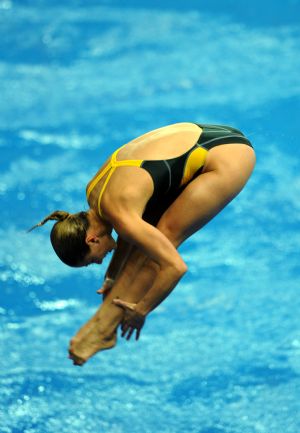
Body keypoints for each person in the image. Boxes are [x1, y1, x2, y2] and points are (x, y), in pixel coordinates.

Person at [29, 122, 255, 366]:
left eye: (92, 260)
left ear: (91, 239)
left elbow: (175, 267)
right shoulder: (95, 197)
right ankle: (102, 325)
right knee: (147, 237)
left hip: (232, 156)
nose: (99, 261)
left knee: (164, 239)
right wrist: (112, 276)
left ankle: (103, 330)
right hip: (203, 135)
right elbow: (129, 232)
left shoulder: (120, 213)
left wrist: (141, 311)